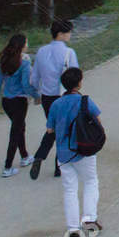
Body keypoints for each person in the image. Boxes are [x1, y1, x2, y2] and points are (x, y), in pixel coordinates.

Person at [43, 66, 101, 237]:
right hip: (83, 150)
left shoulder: (56, 104)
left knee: (70, 189)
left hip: (63, 153)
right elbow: (98, 121)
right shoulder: (85, 101)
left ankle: (73, 227)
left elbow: (50, 128)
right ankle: (90, 219)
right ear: (79, 83)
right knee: (91, 181)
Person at [27, 19, 77, 179]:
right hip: (64, 96)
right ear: (61, 34)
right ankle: (59, 166)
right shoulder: (69, 53)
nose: (70, 35)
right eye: (68, 32)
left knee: (53, 127)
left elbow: (34, 78)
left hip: (47, 97)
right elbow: (75, 76)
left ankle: (40, 156)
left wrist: (37, 92)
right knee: (65, 130)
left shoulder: (41, 51)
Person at [0, 32, 36, 177]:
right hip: (19, 101)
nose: (28, 45)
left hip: (7, 101)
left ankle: (24, 156)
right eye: (26, 43)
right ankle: (7, 167)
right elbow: (26, 85)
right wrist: (36, 96)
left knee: (19, 127)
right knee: (16, 131)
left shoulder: (5, 60)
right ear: (22, 46)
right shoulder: (24, 62)